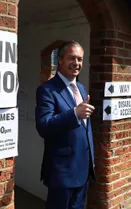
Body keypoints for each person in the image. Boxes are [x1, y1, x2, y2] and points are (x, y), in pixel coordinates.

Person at [35, 41, 95, 209]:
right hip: (62, 172)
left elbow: (84, 128)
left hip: (83, 168)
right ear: (60, 60)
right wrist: (75, 113)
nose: (76, 63)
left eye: (80, 59)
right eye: (72, 58)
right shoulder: (47, 90)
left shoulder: (82, 88)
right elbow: (43, 126)